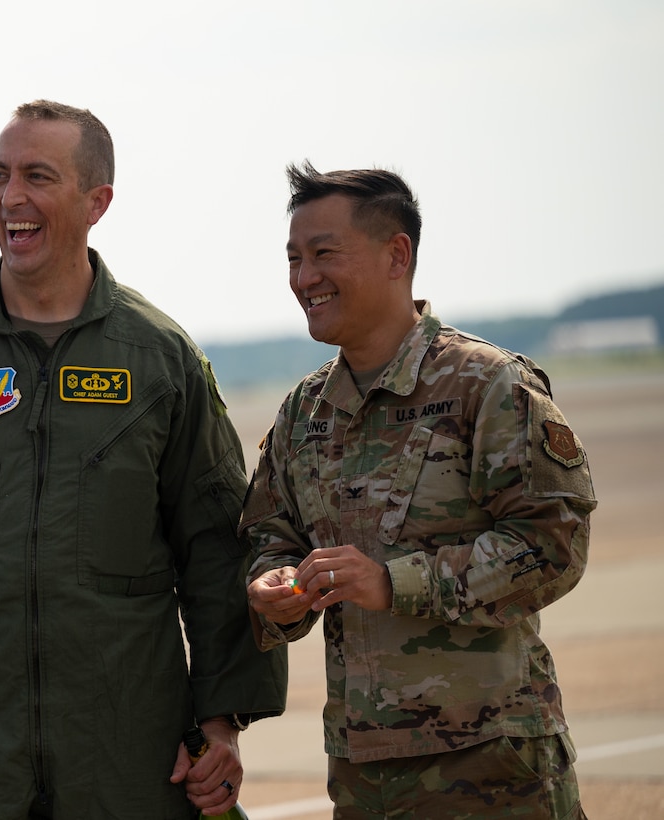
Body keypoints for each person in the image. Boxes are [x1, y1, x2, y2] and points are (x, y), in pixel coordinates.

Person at [0, 100, 288, 820]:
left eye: (38, 176)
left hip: (129, 747)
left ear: (97, 201)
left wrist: (222, 723)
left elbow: (219, 549)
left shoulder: (160, 360)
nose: (11, 198)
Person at [240, 161, 597, 818]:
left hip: (493, 764)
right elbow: (270, 535)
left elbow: (553, 545)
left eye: (323, 254)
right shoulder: (304, 412)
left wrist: (394, 582)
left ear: (396, 254)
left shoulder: (487, 386)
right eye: (293, 258)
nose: (303, 278)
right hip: (361, 771)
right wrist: (275, 584)